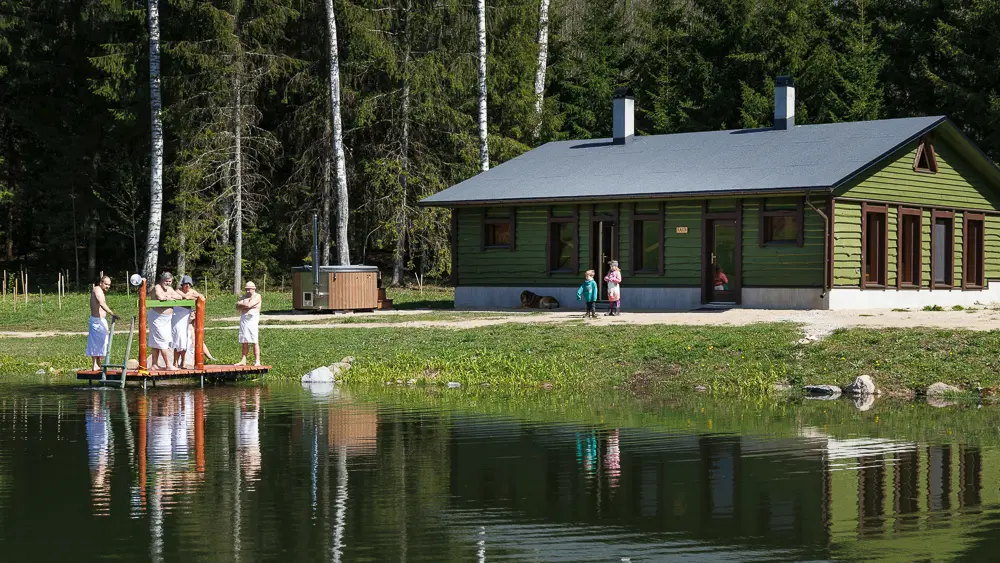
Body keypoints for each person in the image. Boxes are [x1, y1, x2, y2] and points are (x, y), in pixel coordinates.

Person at [149, 272, 180, 370]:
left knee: (156, 342)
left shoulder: (170, 289)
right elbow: (160, 297)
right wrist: (167, 297)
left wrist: (171, 296)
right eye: (166, 281)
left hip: (167, 319)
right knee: (163, 341)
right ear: (162, 280)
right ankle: (168, 365)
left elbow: (179, 296)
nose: (168, 283)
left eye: (170, 281)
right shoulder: (157, 287)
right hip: (157, 318)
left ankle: (154, 364)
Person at [87, 276, 119, 370]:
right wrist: (112, 313)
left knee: (103, 342)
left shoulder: (101, 291)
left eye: (109, 285)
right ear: (101, 282)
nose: (108, 286)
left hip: (101, 321)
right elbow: (101, 303)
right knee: (95, 342)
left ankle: (99, 363)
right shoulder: (97, 289)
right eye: (106, 284)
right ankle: (95, 365)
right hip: (96, 321)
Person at [172, 275, 201, 369]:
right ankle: (175, 362)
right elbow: (183, 297)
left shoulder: (192, 291)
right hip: (177, 315)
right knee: (177, 338)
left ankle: (183, 363)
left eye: (189, 284)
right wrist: (189, 296)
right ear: (182, 284)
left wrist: (191, 296)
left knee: (185, 339)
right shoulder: (178, 290)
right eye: (185, 284)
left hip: (186, 315)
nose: (187, 286)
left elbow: (200, 296)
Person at [235, 281, 262, 366]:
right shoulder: (243, 297)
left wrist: (242, 304)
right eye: (246, 289)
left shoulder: (257, 296)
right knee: (244, 340)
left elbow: (249, 305)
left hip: (252, 319)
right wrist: (242, 305)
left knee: (254, 340)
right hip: (244, 319)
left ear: (254, 289)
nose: (247, 291)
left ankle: (257, 361)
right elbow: (237, 306)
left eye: (249, 289)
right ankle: (243, 360)